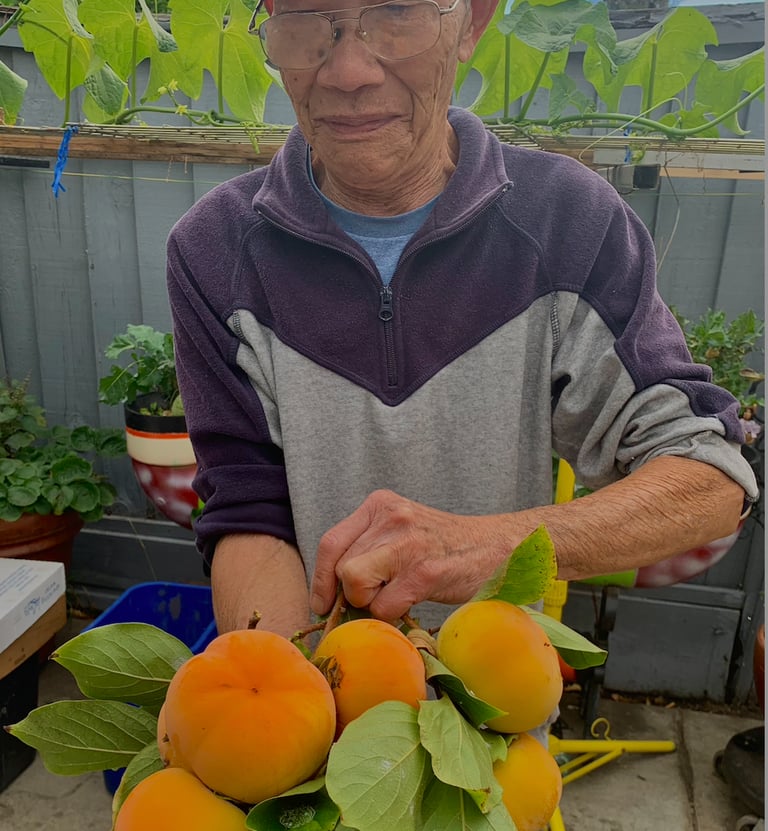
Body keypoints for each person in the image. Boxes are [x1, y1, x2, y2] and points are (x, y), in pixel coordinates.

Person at [165, 0, 758, 642]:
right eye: (307, 19)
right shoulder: (215, 250)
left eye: (397, 13)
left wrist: (485, 546)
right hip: (320, 690)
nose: (348, 72)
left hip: (497, 697)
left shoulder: (566, 223)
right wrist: (291, 685)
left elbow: (708, 477)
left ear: (470, 24)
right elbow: (246, 505)